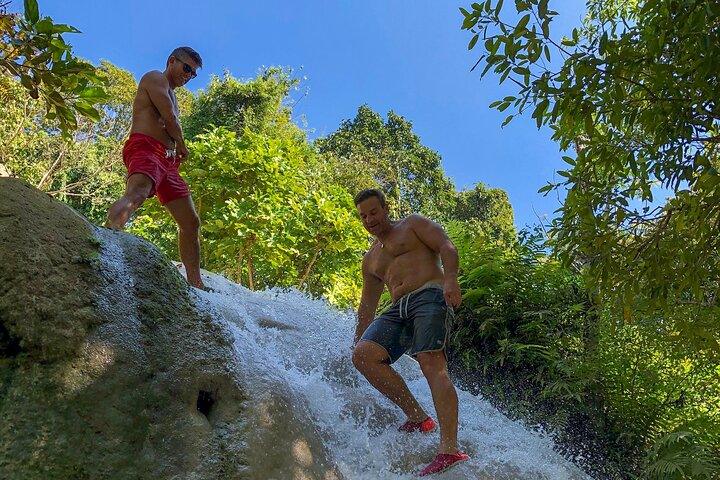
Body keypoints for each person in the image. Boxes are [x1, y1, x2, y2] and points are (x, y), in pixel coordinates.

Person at [351, 188, 470, 476]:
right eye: (363, 216)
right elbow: (367, 304)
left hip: (429, 294)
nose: (369, 219)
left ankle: (450, 450)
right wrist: (358, 338)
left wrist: (451, 279)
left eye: (373, 212)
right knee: (363, 355)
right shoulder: (371, 260)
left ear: (386, 208)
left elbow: (447, 246)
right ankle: (418, 417)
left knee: (431, 361)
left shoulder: (413, 225)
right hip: (397, 309)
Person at [106, 46, 205, 289]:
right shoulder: (155, 78)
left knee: (191, 222)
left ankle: (196, 283)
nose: (189, 75)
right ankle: (107, 238)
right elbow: (169, 118)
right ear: (172, 61)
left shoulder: (173, 94)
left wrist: (174, 145)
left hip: (168, 162)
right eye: (187, 68)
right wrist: (181, 143)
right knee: (137, 193)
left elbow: (168, 120)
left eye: (194, 74)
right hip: (145, 148)